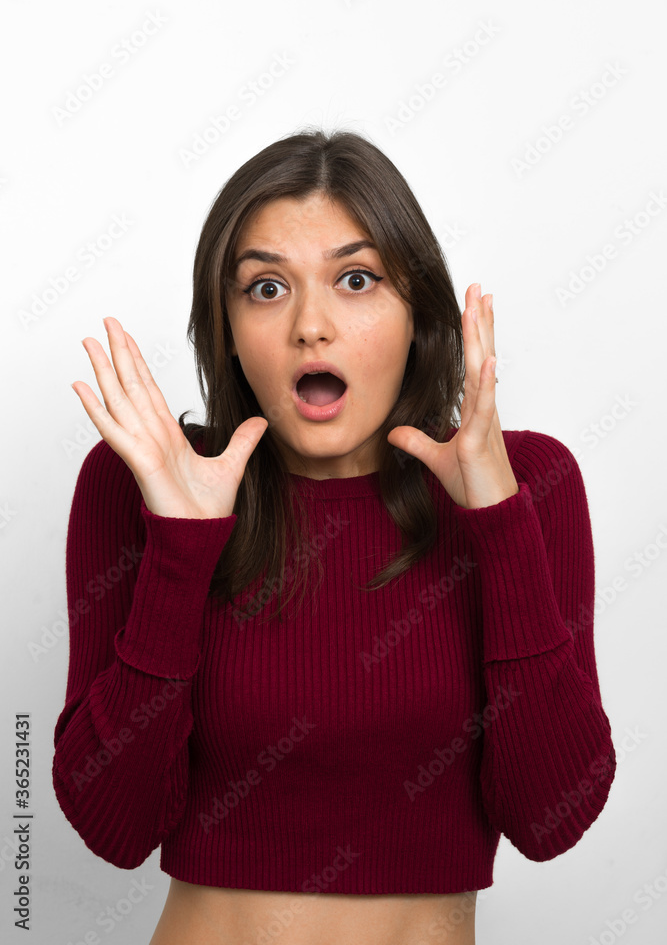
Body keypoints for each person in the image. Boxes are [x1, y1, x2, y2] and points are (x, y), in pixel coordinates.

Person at [52, 128, 616, 945]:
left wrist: (498, 525)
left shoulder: (527, 482)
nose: (310, 326)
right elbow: (115, 829)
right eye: (265, 288)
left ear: (417, 311)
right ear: (228, 326)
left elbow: (548, 820)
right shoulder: (144, 482)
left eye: (356, 280)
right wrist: (180, 550)